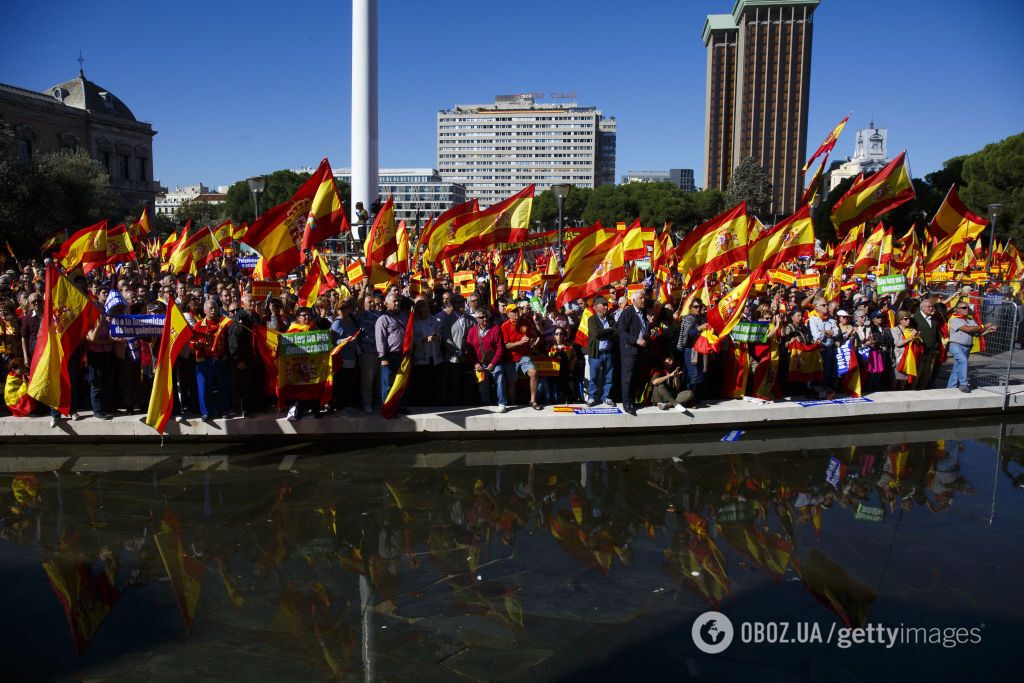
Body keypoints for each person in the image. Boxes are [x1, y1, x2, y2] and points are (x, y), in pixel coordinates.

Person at [947, 302, 996, 393]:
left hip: (967, 347)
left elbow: (977, 334)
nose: (967, 309)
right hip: (956, 345)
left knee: (957, 368)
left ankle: (950, 387)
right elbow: (967, 329)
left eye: (967, 307)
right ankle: (964, 384)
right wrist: (983, 326)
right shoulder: (954, 319)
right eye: (964, 307)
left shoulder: (970, 319)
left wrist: (988, 331)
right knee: (963, 361)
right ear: (957, 309)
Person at [501, 302, 543, 410]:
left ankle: (533, 401)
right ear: (508, 314)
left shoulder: (526, 322)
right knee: (512, 383)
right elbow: (507, 346)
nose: (516, 313)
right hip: (510, 358)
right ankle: (513, 404)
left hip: (524, 355)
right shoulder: (504, 326)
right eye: (513, 311)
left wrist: (533, 341)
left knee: (534, 372)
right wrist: (520, 342)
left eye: (517, 310)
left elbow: (530, 337)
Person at [464, 309, 507, 411]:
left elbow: (500, 348)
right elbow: (469, 350)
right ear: (476, 319)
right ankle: (486, 405)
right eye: (481, 317)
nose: (485, 319)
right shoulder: (472, 331)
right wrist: (475, 364)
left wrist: (493, 362)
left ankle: (502, 403)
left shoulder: (495, 329)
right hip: (480, 363)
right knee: (483, 385)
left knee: (500, 379)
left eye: (486, 317)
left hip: (495, 361)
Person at [617, 290, 649, 415]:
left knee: (635, 376)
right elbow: (622, 332)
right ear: (633, 300)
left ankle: (632, 400)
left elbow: (641, 328)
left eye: (644, 298)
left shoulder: (643, 312)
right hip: (629, 350)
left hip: (640, 351)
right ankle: (626, 403)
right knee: (627, 377)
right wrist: (636, 340)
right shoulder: (627, 312)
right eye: (641, 298)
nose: (643, 300)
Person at [375, 293, 406, 408]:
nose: (397, 303)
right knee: (388, 384)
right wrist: (383, 357)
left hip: (402, 355)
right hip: (389, 356)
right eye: (394, 301)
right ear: (386, 304)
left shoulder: (403, 317)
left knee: (400, 383)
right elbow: (380, 339)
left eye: (398, 301)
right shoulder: (383, 319)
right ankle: (388, 408)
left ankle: (399, 406)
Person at [585, 296, 617, 407]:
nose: (606, 307)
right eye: (603, 305)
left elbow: (616, 333)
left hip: (608, 353)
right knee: (593, 377)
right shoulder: (591, 319)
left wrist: (606, 332)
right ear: (596, 307)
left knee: (608, 376)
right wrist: (609, 331)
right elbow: (596, 334)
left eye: (606, 305)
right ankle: (592, 398)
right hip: (596, 354)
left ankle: (606, 397)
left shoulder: (611, 319)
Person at [676, 299, 709, 398]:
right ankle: (689, 399)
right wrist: (700, 328)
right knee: (693, 375)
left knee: (699, 375)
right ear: (691, 308)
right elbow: (688, 334)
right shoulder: (688, 318)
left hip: (701, 349)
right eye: (696, 307)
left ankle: (692, 397)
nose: (698, 309)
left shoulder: (703, 318)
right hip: (691, 349)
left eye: (700, 307)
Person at [808, 297, 839, 398]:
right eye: (824, 305)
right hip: (819, 350)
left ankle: (825, 390)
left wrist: (825, 332)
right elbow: (816, 336)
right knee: (819, 372)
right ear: (817, 307)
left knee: (828, 372)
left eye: (826, 305)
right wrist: (829, 333)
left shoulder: (830, 319)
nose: (826, 307)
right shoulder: (813, 319)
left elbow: (836, 332)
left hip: (829, 348)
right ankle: (816, 392)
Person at [912, 298, 941, 389]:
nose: (931, 308)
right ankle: (913, 389)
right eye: (929, 307)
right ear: (922, 308)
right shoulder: (915, 319)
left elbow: (936, 335)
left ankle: (922, 388)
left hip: (931, 351)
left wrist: (936, 348)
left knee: (927, 372)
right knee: (917, 372)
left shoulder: (934, 320)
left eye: (932, 306)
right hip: (920, 351)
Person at [891, 312, 920, 390]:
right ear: (900, 320)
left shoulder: (911, 329)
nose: (908, 321)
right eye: (906, 319)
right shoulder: (895, 330)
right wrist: (910, 338)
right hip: (899, 357)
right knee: (896, 380)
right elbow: (897, 343)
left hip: (909, 358)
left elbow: (917, 344)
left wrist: (916, 338)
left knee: (904, 381)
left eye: (909, 319)